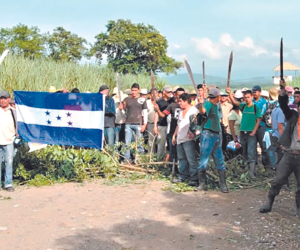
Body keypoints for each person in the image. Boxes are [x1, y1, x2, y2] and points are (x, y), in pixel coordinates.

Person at [260, 80, 300, 216]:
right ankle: (269, 203)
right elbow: (283, 105)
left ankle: (299, 208)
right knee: (277, 180)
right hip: (288, 156)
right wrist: (282, 90)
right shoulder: (293, 117)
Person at [197, 88, 229, 193]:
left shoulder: (217, 105)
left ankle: (223, 184)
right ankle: (202, 184)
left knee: (219, 159)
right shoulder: (209, 104)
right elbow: (203, 111)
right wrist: (201, 105)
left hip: (216, 135)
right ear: (218, 97)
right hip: (208, 135)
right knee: (204, 159)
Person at [227, 88, 262, 178]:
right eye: (245, 98)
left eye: (248, 97)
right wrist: (230, 93)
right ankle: (245, 171)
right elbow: (235, 102)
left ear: (252, 97)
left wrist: (254, 131)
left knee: (251, 151)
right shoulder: (243, 106)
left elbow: (258, 120)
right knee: (244, 151)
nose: (246, 99)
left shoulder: (255, 107)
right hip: (243, 133)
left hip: (251, 133)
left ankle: (251, 173)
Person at [172, 93, 199, 186]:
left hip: (189, 139)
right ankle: (183, 176)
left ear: (186, 101)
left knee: (191, 159)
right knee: (182, 159)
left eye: (180, 101)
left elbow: (197, 124)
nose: (179, 103)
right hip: (180, 137)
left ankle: (194, 179)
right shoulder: (180, 111)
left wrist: (193, 133)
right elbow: (178, 124)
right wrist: (174, 135)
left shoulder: (194, 111)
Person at [121, 83, 148, 162]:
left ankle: (139, 159)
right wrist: (121, 108)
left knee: (139, 142)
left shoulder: (142, 100)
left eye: (135, 90)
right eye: (132, 90)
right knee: (127, 142)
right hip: (128, 123)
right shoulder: (127, 99)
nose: (133, 92)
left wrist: (144, 124)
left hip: (138, 123)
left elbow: (145, 112)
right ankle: (127, 159)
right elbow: (124, 112)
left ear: (138, 91)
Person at [164, 87, 185, 178]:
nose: (180, 97)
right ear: (175, 95)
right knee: (172, 152)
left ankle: (182, 171)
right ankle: (172, 170)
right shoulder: (172, 105)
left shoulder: (186, 106)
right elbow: (163, 115)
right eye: (178, 95)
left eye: (182, 95)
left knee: (182, 153)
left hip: (183, 133)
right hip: (172, 132)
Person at [0, 91, 17, 192]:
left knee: (9, 163)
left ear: (9, 99)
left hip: (9, 141)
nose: (3, 100)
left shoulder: (13, 111)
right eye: (1, 98)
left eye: (5, 98)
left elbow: (18, 125)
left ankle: (8, 184)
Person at [153, 85, 173, 158]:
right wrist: (155, 125)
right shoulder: (159, 101)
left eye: (171, 92)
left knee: (170, 144)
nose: (170, 93)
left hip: (171, 125)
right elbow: (156, 114)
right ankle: (159, 159)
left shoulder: (172, 100)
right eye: (168, 92)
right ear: (164, 92)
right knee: (161, 143)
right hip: (162, 124)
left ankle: (169, 160)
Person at [252, 85, 269, 167]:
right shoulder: (251, 101)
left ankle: (266, 164)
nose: (254, 94)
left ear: (260, 92)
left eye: (255, 92)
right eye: (253, 92)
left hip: (261, 126)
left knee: (263, 146)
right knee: (253, 146)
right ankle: (254, 164)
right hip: (252, 126)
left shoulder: (264, 102)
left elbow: (261, 114)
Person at [268, 90, 285, 170]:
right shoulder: (281, 110)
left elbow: (272, 123)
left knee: (275, 151)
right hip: (279, 134)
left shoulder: (275, 109)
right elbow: (280, 125)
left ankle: (276, 166)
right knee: (278, 151)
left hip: (274, 133)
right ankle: (276, 167)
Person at [226, 90, 243, 159]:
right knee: (233, 155)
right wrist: (234, 138)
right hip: (232, 136)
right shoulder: (232, 113)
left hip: (238, 136)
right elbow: (231, 126)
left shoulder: (240, 112)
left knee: (239, 154)